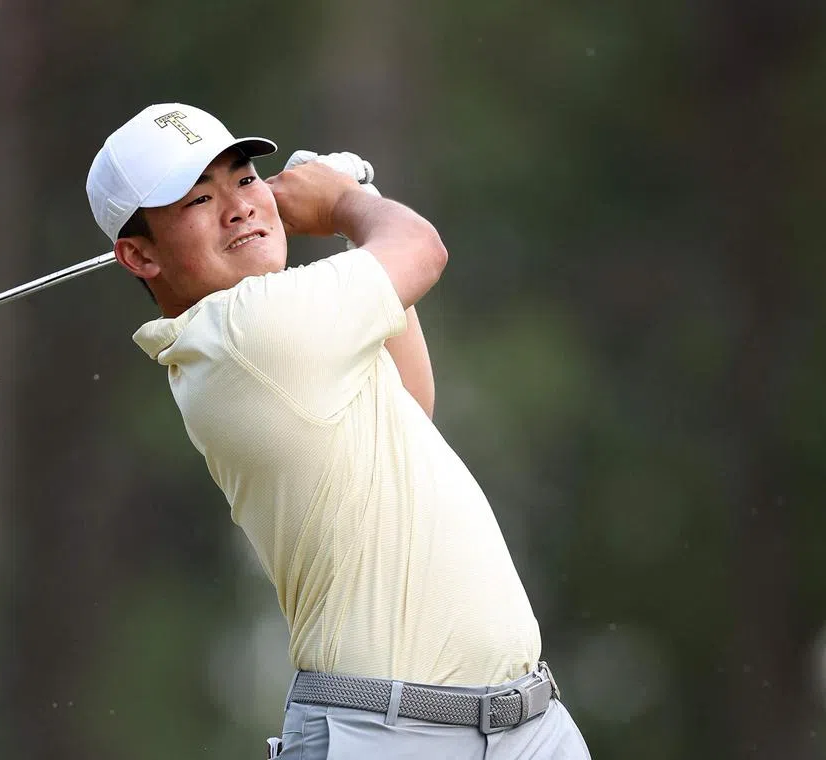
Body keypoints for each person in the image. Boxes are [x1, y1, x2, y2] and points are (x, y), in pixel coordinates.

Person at [86, 103, 592, 759]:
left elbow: (411, 400)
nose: (238, 208)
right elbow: (422, 249)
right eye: (198, 200)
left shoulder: (277, 329)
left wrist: (357, 207)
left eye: (245, 180)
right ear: (139, 254)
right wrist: (343, 202)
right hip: (387, 734)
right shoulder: (247, 331)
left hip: (528, 724)